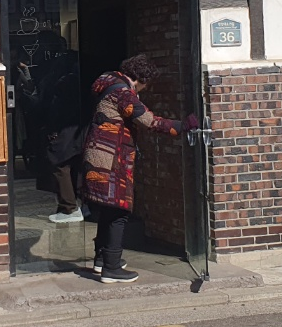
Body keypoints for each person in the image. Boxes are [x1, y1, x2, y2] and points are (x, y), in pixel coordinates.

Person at [80, 54, 196, 283]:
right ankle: (112, 269)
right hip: (111, 158)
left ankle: (102, 260)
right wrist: (183, 126)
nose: (145, 88)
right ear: (141, 78)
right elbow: (149, 121)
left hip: (98, 155)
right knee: (119, 212)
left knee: (108, 210)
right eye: (146, 84)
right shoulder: (123, 93)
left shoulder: (109, 82)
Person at [16, 33, 85, 223]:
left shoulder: (57, 78)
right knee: (73, 164)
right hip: (76, 128)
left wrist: (29, 99)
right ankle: (76, 204)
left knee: (60, 165)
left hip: (62, 128)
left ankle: (69, 208)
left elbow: (49, 105)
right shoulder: (75, 74)